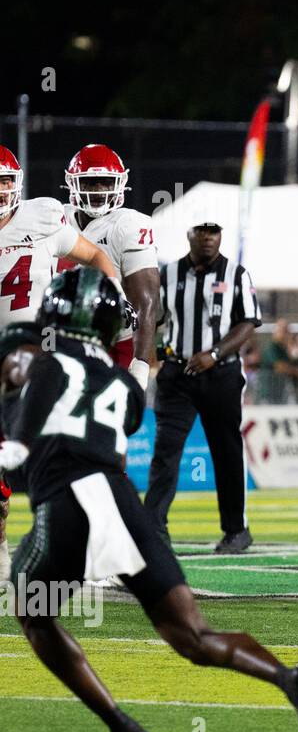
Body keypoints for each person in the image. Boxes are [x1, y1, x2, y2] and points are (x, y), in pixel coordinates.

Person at [0, 267, 298, 732]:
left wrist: (16, 442)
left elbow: (33, 406)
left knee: (33, 610)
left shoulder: (43, 362)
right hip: (120, 505)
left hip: (69, 501)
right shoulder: (123, 385)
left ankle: (122, 725)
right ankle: (290, 679)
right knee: (194, 636)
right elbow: (118, 421)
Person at [0, 145, 120, 584]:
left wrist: (114, 297)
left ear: (18, 183)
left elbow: (96, 256)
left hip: (45, 358)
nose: (0, 190)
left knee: (72, 456)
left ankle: (99, 554)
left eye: (5, 180)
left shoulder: (45, 216)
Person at [145, 222, 261, 553]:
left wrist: (214, 353)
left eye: (214, 231)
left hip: (221, 375)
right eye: (201, 231)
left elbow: (249, 321)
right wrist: (152, 357)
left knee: (226, 452)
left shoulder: (236, 273)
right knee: (165, 452)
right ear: (189, 234)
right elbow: (151, 318)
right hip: (178, 375)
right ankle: (153, 529)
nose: (208, 237)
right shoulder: (167, 274)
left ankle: (236, 530)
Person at [61, 144, 159, 391]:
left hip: (114, 343)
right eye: (90, 183)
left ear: (119, 183)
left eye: (105, 182)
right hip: (61, 340)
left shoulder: (128, 224)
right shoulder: (57, 219)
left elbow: (146, 301)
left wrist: (140, 364)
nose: (98, 190)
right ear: (73, 183)